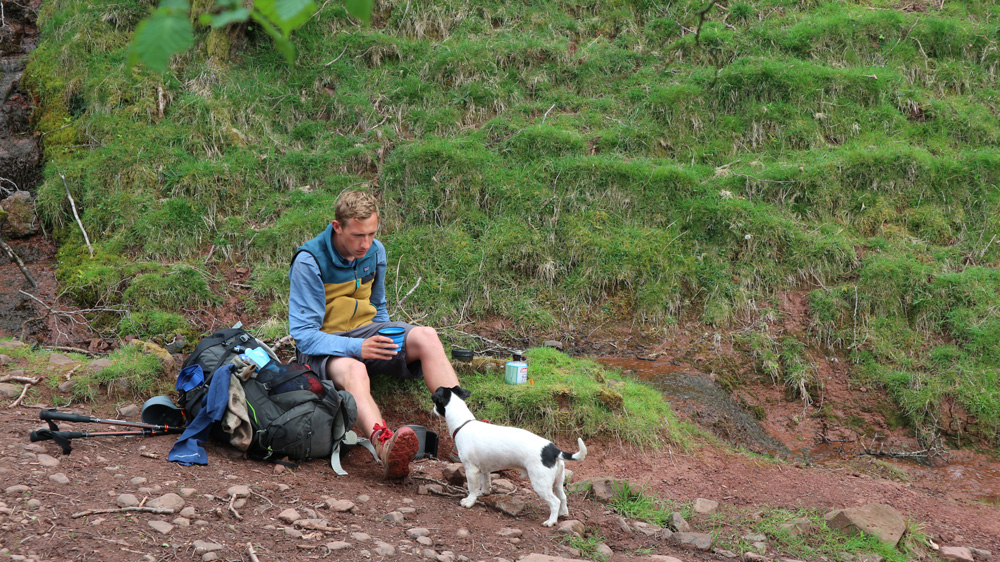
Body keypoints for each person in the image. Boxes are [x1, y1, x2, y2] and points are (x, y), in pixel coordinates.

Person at [288, 189, 460, 479]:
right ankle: (385, 447)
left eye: (371, 233)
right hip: (322, 347)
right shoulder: (309, 261)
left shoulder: (375, 251)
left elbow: (378, 307)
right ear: (337, 227)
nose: (365, 244)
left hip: (365, 333)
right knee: (355, 368)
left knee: (426, 336)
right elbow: (305, 335)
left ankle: (469, 436)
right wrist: (358, 348)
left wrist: (387, 339)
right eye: (357, 235)